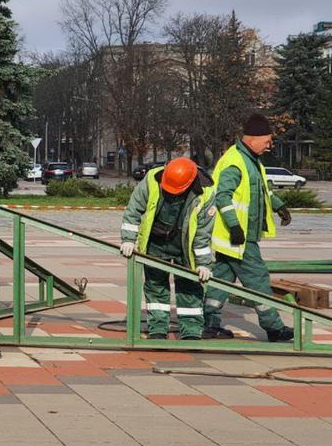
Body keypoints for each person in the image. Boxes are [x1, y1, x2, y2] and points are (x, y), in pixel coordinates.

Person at [202, 113, 293, 342]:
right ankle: (274, 328)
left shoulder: (251, 160)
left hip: (236, 236)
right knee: (258, 280)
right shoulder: (235, 162)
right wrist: (234, 226)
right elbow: (223, 196)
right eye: (267, 141)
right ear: (252, 139)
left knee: (220, 281)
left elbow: (262, 190)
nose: (269, 145)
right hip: (239, 237)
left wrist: (279, 205)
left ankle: (208, 323)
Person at [119, 157, 216, 340]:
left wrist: (204, 264)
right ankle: (157, 329)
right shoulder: (152, 179)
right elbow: (133, 210)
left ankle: (191, 332)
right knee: (156, 287)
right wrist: (128, 239)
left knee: (189, 288)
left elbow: (203, 233)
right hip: (156, 241)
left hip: (184, 244)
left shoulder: (206, 193)